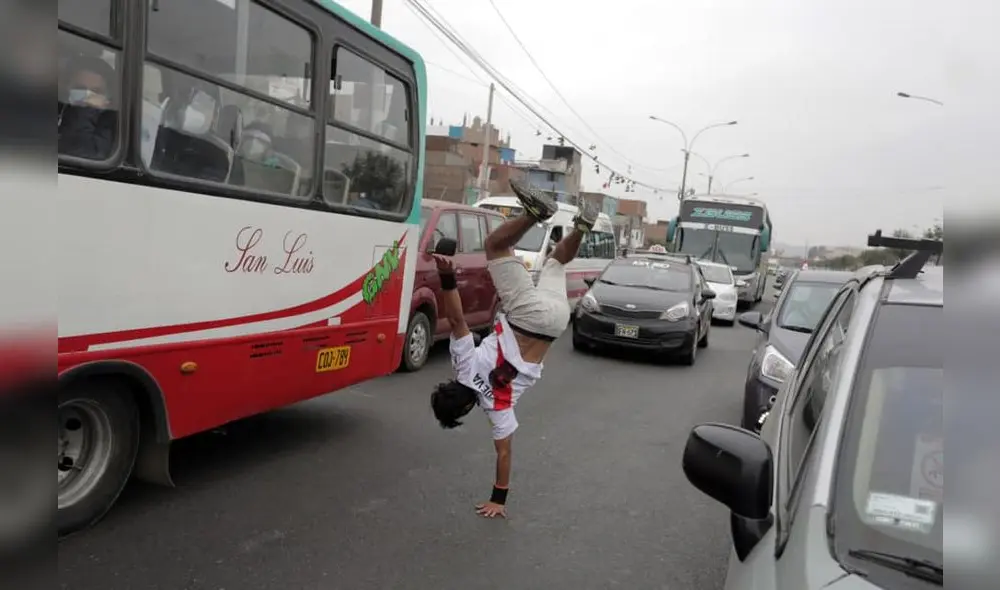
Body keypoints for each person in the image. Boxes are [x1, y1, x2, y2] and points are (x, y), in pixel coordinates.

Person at [430, 179, 597, 519]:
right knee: (494, 244)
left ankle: (581, 226)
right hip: (525, 316)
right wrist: (446, 278)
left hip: (555, 324)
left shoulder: (496, 409)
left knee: (553, 263)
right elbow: (458, 320)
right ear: (448, 386)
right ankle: (535, 214)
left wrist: (499, 499)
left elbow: (504, 454)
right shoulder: (463, 368)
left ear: (465, 411)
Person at [58, 55, 117, 159]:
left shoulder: (111, 127)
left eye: (96, 92)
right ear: (67, 89)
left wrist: (84, 110)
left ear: (107, 99)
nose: (87, 95)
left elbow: (82, 155)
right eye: (80, 88)